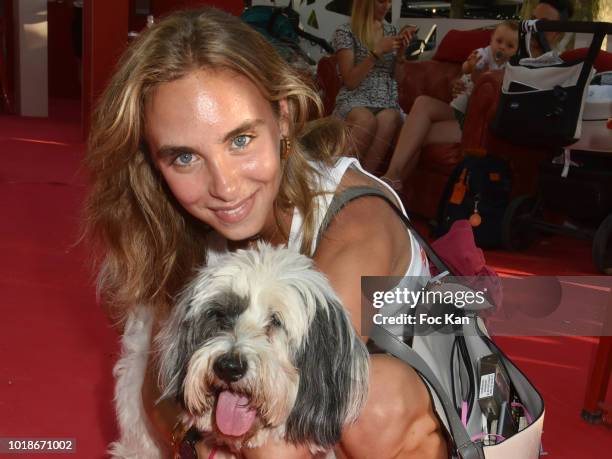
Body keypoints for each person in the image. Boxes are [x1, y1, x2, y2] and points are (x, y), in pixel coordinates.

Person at [83, 7, 447, 459]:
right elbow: (159, 386)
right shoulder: (188, 223)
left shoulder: (356, 230)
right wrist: (196, 441)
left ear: (284, 117)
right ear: (154, 162)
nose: (225, 187)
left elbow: (299, 419)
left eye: (240, 140)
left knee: (356, 407)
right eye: (183, 157)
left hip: (445, 414)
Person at [381, 0, 573, 191]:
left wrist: (481, 85)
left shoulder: (550, 66)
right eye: (532, 19)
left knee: (415, 134)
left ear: (557, 33)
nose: (533, 27)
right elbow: (475, 73)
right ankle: (391, 181)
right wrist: (463, 82)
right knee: (423, 103)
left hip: (487, 128)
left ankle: (390, 187)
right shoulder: (510, 47)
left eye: (543, 23)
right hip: (467, 111)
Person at [332, 0, 415, 173]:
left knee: (390, 118)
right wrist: (376, 53)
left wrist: (400, 55)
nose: (386, 6)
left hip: (386, 100)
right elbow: (350, 81)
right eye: (381, 1)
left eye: (389, 1)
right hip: (355, 97)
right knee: (366, 120)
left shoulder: (392, 31)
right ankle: (333, 181)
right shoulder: (345, 32)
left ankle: (366, 185)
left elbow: (399, 80)